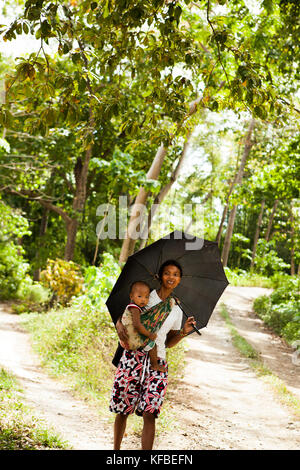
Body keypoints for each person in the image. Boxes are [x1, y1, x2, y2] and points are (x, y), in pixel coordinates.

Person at [109, 259, 196, 450]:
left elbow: (168, 341)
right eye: (167, 273)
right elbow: (124, 313)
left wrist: (184, 332)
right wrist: (118, 325)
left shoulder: (176, 308)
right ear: (159, 276)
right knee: (123, 409)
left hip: (159, 361)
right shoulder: (146, 295)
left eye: (175, 274)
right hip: (134, 358)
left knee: (151, 411)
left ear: (180, 279)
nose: (171, 277)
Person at [120, 280, 173, 373]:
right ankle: (155, 365)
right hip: (132, 336)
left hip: (129, 338)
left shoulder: (134, 307)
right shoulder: (135, 308)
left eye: (146, 297)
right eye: (139, 296)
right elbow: (137, 325)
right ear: (131, 296)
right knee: (153, 345)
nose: (143, 300)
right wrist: (149, 334)